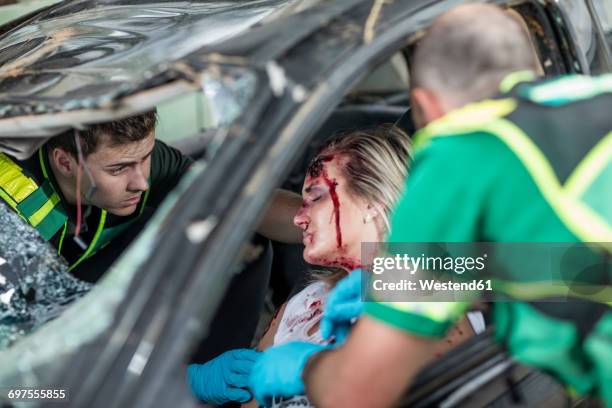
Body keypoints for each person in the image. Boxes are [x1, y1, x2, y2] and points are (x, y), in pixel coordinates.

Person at [248, 4, 612, 408]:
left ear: (426, 106)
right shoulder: (594, 103)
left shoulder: (459, 159)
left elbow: (353, 392)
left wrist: (304, 368)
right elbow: (564, 264)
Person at [188, 126, 480, 406]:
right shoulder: (306, 303)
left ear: (372, 203)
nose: (298, 218)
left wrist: (313, 369)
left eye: (315, 198)